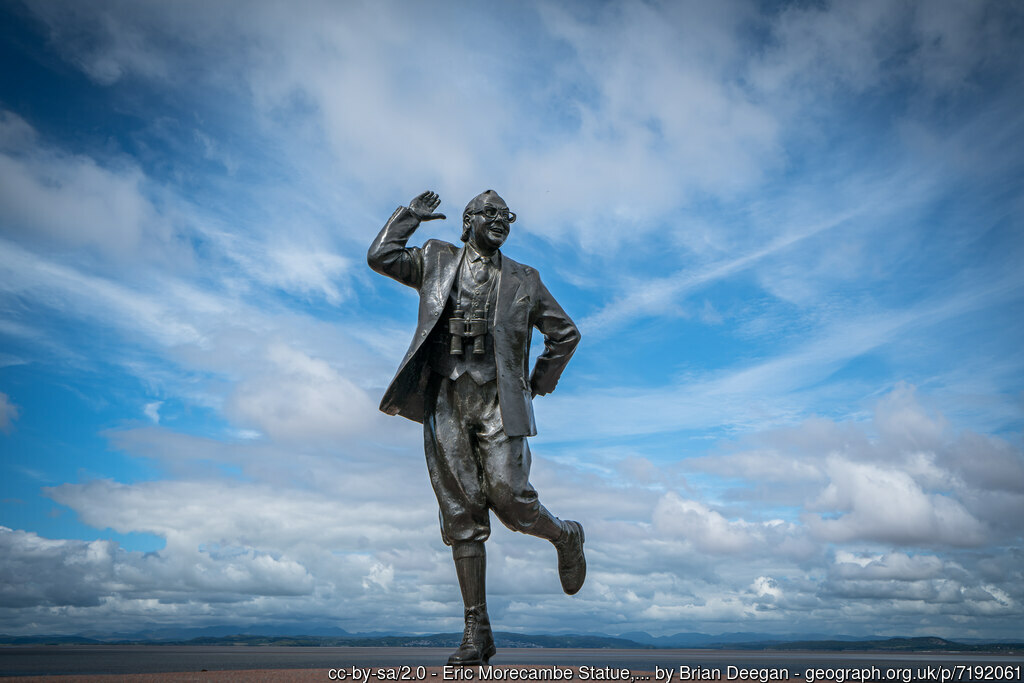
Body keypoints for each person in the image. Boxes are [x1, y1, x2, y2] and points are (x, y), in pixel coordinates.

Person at [368, 190, 585, 666]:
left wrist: (536, 384)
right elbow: (381, 257)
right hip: (445, 399)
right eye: (490, 213)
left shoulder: (526, 279)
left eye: (507, 215)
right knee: (460, 515)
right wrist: (409, 218)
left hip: (499, 402)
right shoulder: (435, 259)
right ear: (468, 221)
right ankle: (477, 632)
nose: (501, 220)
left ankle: (564, 535)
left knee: (511, 499)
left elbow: (565, 334)